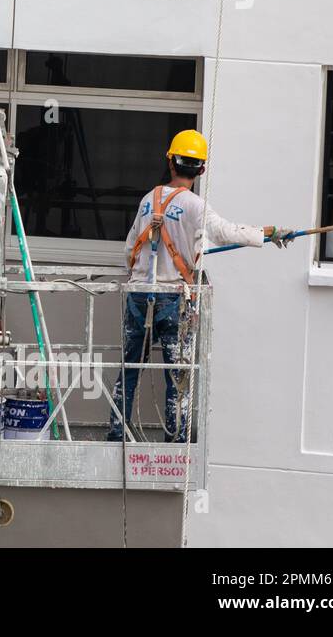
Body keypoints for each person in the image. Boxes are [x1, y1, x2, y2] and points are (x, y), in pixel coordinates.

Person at [108, 129, 294, 442]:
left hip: (139, 295)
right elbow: (227, 232)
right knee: (177, 378)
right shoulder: (194, 206)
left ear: (170, 162)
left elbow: (129, 251)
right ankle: (176, 444)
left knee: (129, 370)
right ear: (201, 169)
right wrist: (270, 232)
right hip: (174, 301)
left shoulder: (147, 201)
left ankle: (115, 434)